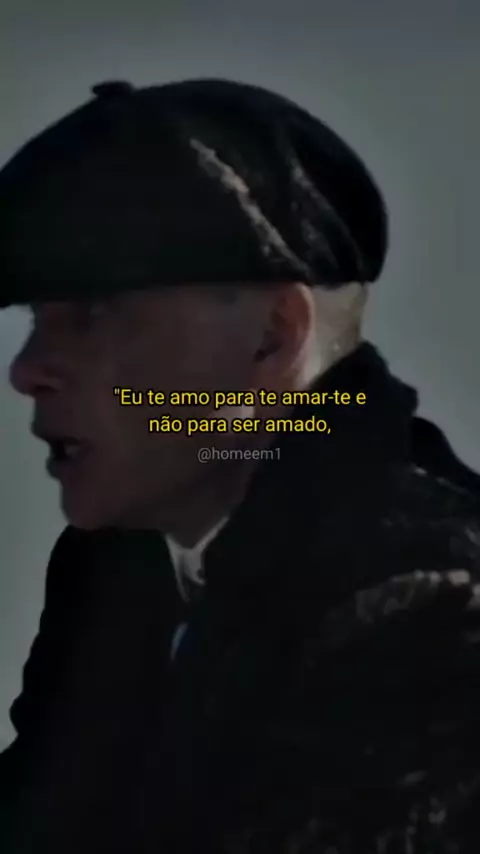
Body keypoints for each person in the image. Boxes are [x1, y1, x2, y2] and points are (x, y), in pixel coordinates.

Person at [0, 77, 480, 854]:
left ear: (272, 336)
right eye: (35, 319)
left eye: (91, 313)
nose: (27, 371)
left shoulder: (432, 603)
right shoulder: (118, 562)